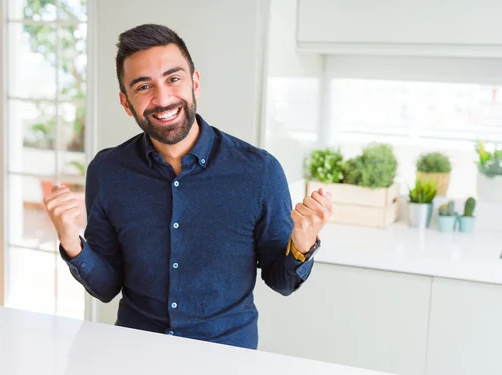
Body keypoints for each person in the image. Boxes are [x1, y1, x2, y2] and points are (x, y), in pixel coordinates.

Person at [43, 23, 333, 350]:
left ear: (195, 83)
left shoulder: (259, 172)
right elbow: (106, 286)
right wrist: (71, 241)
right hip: (135, 354)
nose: (163, 98)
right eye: (143, 87)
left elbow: (282, 281)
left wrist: (303, 242)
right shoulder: (107, 171)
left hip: (226, 359)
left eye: (173, 79)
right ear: (126, 103)